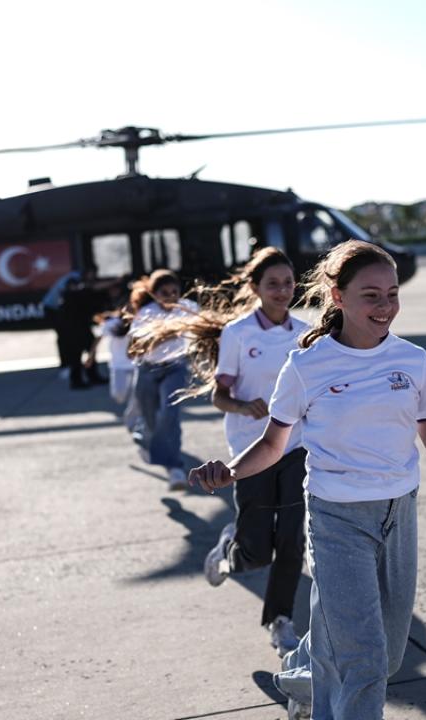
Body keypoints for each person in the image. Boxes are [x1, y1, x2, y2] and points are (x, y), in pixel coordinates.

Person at [190, 240, 426, 720]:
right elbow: (274, 445)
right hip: (336, 518)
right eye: (371, 295)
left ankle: (303, 680)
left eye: (392, 294)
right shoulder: (306, 366)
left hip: (399, 514)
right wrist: (230, 472)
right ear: (337, 297)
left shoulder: (413, 360)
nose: (385, 307)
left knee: (388, 653)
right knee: (366, 660)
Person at [136, 247, 312, 656]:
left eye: (288, 283)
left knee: (291, 539)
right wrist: (242, 405)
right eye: (273, 284)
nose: (283, 291)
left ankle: (280, 622)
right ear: (254, 287)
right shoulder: (237, 334)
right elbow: (219, 395)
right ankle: (230, 548)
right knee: (255, 552)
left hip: (296, 446)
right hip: (250, 449)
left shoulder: (305, 332)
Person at [128, 269, 197, 489]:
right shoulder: (146, 313)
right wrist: (166, 334)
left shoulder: (189, 308)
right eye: (165, 293)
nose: (170, 297)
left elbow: (200, 335)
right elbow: (136, 348)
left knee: (170, 414)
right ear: (155, 295)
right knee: (151, 419)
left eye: (174, 291)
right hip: (148, 368)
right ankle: (143, 436)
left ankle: (175, 468)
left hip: (176, 367)